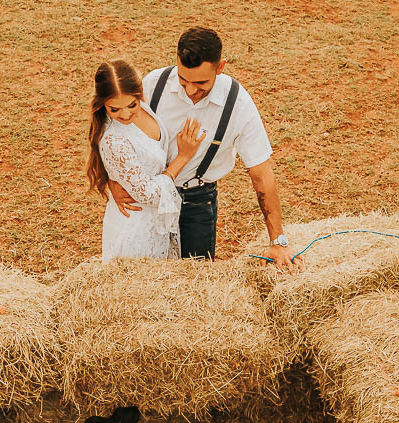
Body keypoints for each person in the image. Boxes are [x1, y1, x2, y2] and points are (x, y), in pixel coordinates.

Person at [109, 27, 301, 270]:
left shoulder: (238, 104)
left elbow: (262, 174)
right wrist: (112, 181)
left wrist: (278, 240)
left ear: (220, 68)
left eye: (201, 82)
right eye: (183, 79)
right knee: (142, 276)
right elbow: (113, 128)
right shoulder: (153, 84)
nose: (190, 90)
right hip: (148, 201)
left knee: (194, 282)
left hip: (196, 203)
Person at [86, 59, 205, 262]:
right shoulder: (114, 139)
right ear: (102, 104)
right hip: (135, 230)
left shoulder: (145, 107)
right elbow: (148, 195)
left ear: (140, 93)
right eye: (114, 109)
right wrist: (183, 157)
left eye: (131, 104)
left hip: (155, 223)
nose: (125, 114)